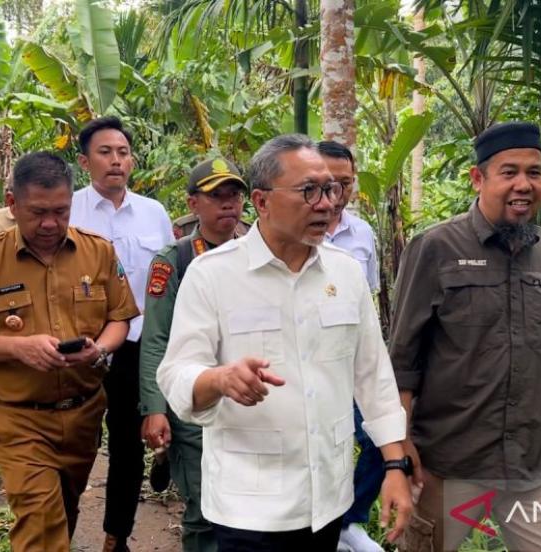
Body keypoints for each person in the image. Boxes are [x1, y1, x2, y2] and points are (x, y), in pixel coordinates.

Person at [156, 134, 413, 551]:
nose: (327, 204)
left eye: (331, 189)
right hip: (249, 504)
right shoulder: (213, 275)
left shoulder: (346, 274)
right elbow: (176, 373)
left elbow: (373, 376)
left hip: (327, 498)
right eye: (309, 190)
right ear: (262, 201)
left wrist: (395, 464)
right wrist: (220, 379)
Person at [389, 122, 541, 551]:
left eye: (534, 173)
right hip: (448, 462)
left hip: (533, 464)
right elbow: (403, 361)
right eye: (509, 172)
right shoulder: (436, 247)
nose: (523, 184)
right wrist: (399, 452)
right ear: (478, 178)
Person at [0, 152, 139, 552]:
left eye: (60, 211)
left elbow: (120, 318)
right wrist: (18, 347)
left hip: (84, 413)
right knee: (39, 520)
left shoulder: (98, 252)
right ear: (12, 204)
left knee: (63, 512)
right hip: (20, 418)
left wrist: (99, 349)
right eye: (37, 212)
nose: (50, 223)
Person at [69, 116, 174, 552]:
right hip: (80, 349)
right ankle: (59, 532)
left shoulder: (153, 213)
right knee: (75, 443)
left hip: (136, 346)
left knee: (128, 447)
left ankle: (116, 537)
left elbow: (166, 279)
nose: (116, 160)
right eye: (105, 152)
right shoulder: (68, 210)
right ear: (84, 161)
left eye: (123, 152)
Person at [140, 158, 248, 552]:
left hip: (250, 401)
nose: (228, 204)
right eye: (216, 196)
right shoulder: (176, 260)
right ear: (192, 204)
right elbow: (156, 338)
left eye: (234, 195)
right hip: (196, 402)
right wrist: (155, 408)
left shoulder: (260, 250)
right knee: (204, 512)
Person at [316, 141, 383, 552]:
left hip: (353, 361)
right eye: (328, 183)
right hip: (310, 363)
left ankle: (350, 520)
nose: (337, 193)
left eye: (345, 182)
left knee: (378, 435)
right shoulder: (287, 230)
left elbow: (367, 302)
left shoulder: (362, 234)